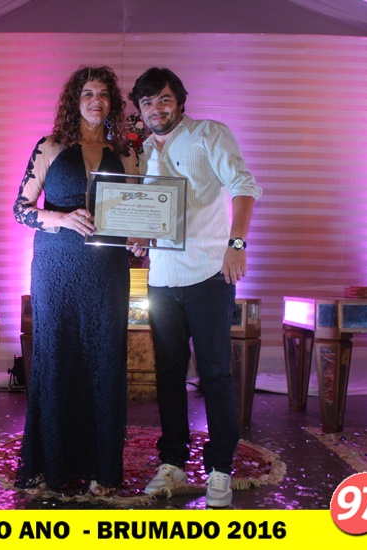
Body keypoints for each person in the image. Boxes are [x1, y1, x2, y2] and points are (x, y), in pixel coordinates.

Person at [128, 67, 262, 507]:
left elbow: (244, 187)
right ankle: (173, 463)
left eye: (164, 99)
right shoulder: (142, 152)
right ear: (140, 110)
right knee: (168, 376)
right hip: (162, 279)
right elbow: (152, 213)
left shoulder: (209, 134)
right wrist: (140, 236)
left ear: (180, 102)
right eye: (147, 102)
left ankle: (220, 468)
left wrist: (236, 245)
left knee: (215, 374)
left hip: (209, 274)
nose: (156, 109)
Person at [12, 65, 139, 496]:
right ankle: (51, 463)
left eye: (103, 94)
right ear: (75, 100)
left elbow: (137, 211)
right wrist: (62, 218)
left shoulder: (126, 152)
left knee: (104, 358)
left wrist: (141, 237)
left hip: (107, 270)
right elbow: (21, 209)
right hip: (56, 266)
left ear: (112, 103)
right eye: (88, 93)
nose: (96, 101)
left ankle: (103, 468)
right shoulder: (49, 146)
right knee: (56, 355)